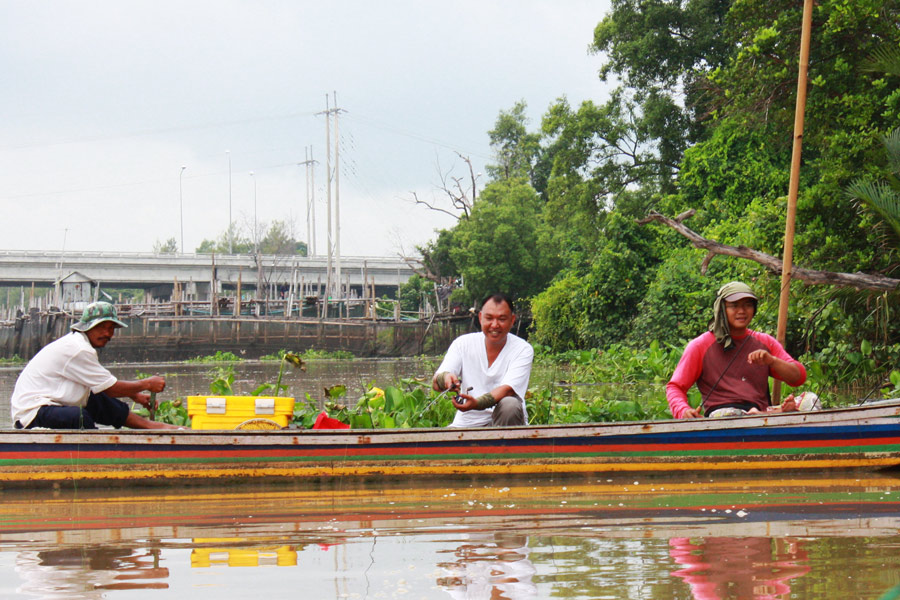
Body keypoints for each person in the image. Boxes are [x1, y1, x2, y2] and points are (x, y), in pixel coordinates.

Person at [11, 301, 181, 430]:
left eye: (111, 328)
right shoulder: (78, 349)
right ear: (88, 327)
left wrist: (135, 395)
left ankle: (156, 428)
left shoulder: (79, 345)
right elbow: (112, 388)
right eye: (101, 327)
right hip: (31, 415)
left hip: (51, 404)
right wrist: (147, 384)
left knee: (99, 400)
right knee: (79, 417)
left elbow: (104, 385)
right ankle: (99, 451)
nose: (107, 333)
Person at [667, 281, 808, 419]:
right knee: (728, 414)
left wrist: (772, 361)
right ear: (722, 309)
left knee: (810, 400)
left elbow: (798, 377)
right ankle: (768, 414)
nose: (742, 311)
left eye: (747, 305)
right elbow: (675, 387)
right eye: (734, 306)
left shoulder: (765, 342)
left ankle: (766, 414)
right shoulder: (700, 345)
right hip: (723, 417)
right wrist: (683, 410)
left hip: (761, 419)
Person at [432, 292, 533, 427]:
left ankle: (507, 447)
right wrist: (445, 378)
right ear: (480, 318)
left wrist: (477, 403)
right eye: (489, 318)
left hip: (505, 422)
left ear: (512, 320)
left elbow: (508, 389)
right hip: (466, 424)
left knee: (510, 404)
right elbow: (436, 383)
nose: (495, 325)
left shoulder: (522, 349)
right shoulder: (462, 344)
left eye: (502, 319)